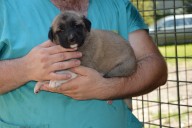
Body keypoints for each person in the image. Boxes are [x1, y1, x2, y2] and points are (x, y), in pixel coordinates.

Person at [0, 0, 167, 128]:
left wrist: (110, 88)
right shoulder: (6, 6)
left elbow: (157, 68)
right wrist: (25, 68)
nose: (72, 36)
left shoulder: (118, 4)